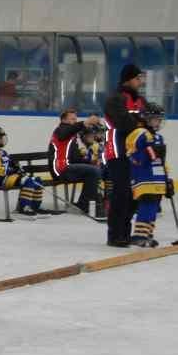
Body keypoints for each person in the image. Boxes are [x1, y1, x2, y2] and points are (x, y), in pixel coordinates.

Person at [103, 64, 146, 247]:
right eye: (137, 78)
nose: (140, 81)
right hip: (118, 151)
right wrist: (141, 122)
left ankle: (125, 232)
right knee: (121, 193)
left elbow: (150, 121)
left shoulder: (140, 100)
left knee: (134, 195)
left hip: (136, 153)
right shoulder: (115, 99)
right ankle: (115, 234)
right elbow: (123, 123)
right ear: (128, 79)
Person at [126, 102, 172, 247]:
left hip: (157, 179)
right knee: (147, 206)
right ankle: (139, 236)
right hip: (144, 178)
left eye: (159, 119)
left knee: (154, 208)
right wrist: (149, 153)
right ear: (146, 118)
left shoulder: (158, 137)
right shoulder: (138, 133)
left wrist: (167, 179)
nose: (158, 122)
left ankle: (147, 235)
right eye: (155, 119)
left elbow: (161, 161)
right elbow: (131, 155)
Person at [48, 109, 103, 213]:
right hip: (60, 169)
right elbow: (67, 131)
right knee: (94, 171)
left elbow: (75, 158)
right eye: (72, 119)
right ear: (64, 120)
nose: (75, 121)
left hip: (67, 168)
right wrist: (85, 122)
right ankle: (86, 204)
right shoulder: (60, 130)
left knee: (94, 171)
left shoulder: (71, 136)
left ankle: (85, 203)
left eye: (75, 119)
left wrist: (91, 162)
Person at [0, 126, 47, 216]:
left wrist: (17, 166)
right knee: (28, 181)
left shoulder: (1, 151)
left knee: (37, 180)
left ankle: (35, 206)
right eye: (0, 138)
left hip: (9, 176)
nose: (3, 140)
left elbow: (9, 163)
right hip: (2, 178)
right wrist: (14, 170)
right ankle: (23, 208)